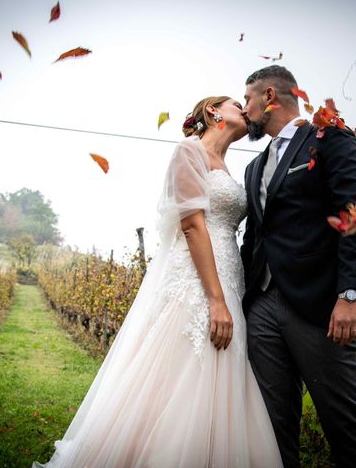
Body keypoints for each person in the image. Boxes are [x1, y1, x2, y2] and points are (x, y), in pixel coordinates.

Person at [32, 96, 282, 468]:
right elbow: (192, 224)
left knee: (221, 373)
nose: (244, 108)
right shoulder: (189, 151)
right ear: (214, 112)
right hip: (198, 281)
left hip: (230, 276)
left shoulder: (231, 170)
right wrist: (215, 300)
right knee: (181, 371)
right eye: (235, 102)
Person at [240, 65, 356, 468]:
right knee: (272, 427)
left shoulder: (330, 139)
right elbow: (255, 237)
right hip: (262, 308)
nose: (244, 109)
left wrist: (350, 294)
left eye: (247, 99)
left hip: (319, 307)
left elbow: (355, 213)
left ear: (269, 96)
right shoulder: (254, 168)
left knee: (342, 425)